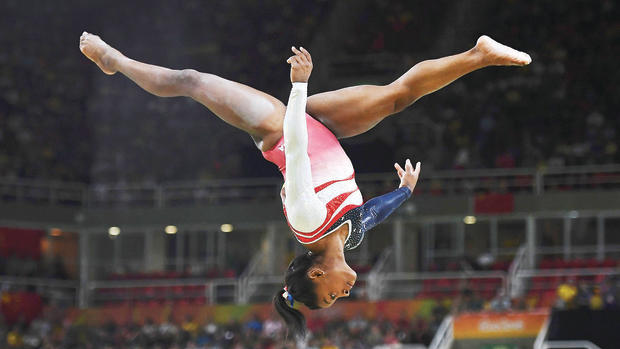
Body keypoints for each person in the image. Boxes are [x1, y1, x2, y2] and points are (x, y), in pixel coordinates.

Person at [79, 32, 531, 340]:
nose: (345, 292)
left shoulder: (307, 222)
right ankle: (479, 54)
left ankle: (115, 61)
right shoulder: (348, 237)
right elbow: (373, 213)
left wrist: (298, 88)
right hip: (323, 127)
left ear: (316, 272)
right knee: (397, 97)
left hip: (280, 127)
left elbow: (295, 150)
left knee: (193, 81)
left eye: (332, 292)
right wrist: (406, 191)